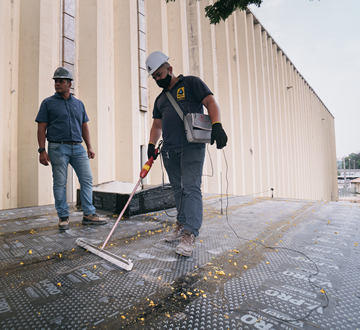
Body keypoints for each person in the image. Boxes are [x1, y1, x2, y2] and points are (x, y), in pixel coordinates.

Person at [146, 51, 228, 257]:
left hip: (192, 147)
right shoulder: (160, 99)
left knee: (191, 188)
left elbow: (210, 102)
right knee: (178, 190)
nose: (158, 79)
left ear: (170, 70)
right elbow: (157, 124)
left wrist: (217, 124)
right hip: (169, 151)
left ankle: (189, 233)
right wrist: (150, 144)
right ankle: (181, 224)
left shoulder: (191, 83)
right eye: (154, 77)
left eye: (160, 74)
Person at [36, 67, 107, 230]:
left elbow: (84, 127)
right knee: (60, 183)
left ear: (69, 84)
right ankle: (63, 216)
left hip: (78, 148)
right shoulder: (48, 103)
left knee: (87, 179)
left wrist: (89, 146)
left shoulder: (79, 104)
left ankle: (89, 214)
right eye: (55, 81)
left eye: (61, 81)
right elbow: (41, 127)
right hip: (57, 148)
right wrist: (42, 150)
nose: (57, 84)